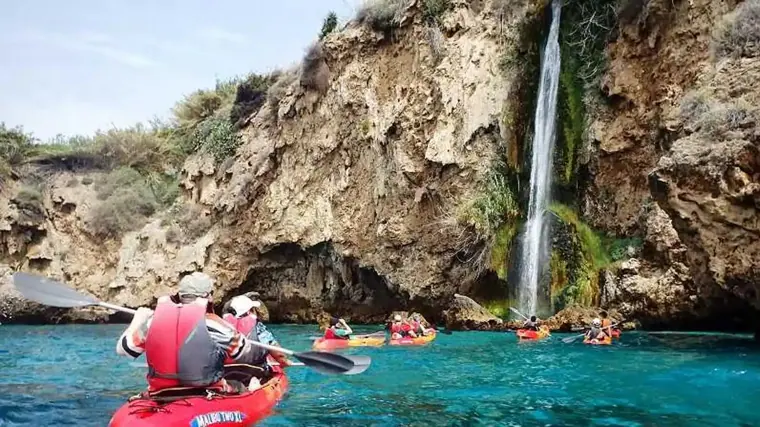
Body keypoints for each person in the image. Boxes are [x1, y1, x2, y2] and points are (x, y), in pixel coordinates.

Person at [115, 272, 257, 395]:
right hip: (207, 390)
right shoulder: (214, 324)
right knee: (243, 385)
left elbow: (123, 350)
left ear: (179, 296)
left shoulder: (153, 322)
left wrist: (137, 320)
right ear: (209, 297)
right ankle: (253, 389)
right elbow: (242, 351)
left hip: (162, 392)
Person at [223, 295, 290, 390]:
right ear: (249, 311)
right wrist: (284, 361)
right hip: (254, 371)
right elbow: (276, 351)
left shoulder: (221, 326)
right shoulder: (258, 327)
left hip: (226, 372)